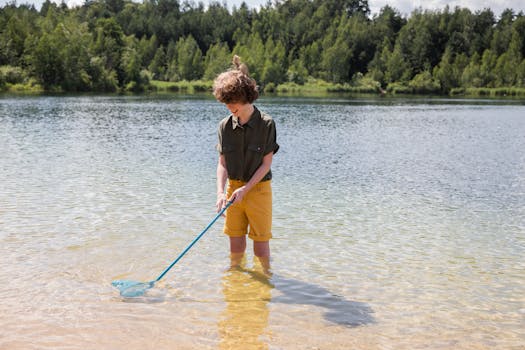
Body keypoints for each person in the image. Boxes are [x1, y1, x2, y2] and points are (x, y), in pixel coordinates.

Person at [213, 55, 279, 274]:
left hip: (258, 190)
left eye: (232, 103)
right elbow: (222, 163)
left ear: (246, 98)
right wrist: (220, 193)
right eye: (226, 103)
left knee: (260, 245)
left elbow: (266, 164)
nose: (229, 107)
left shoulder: (267, 124)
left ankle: (265, 281)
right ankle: (237, 282)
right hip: (233, 189)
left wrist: (246, 189)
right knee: (235, 244)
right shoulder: (224, 126)